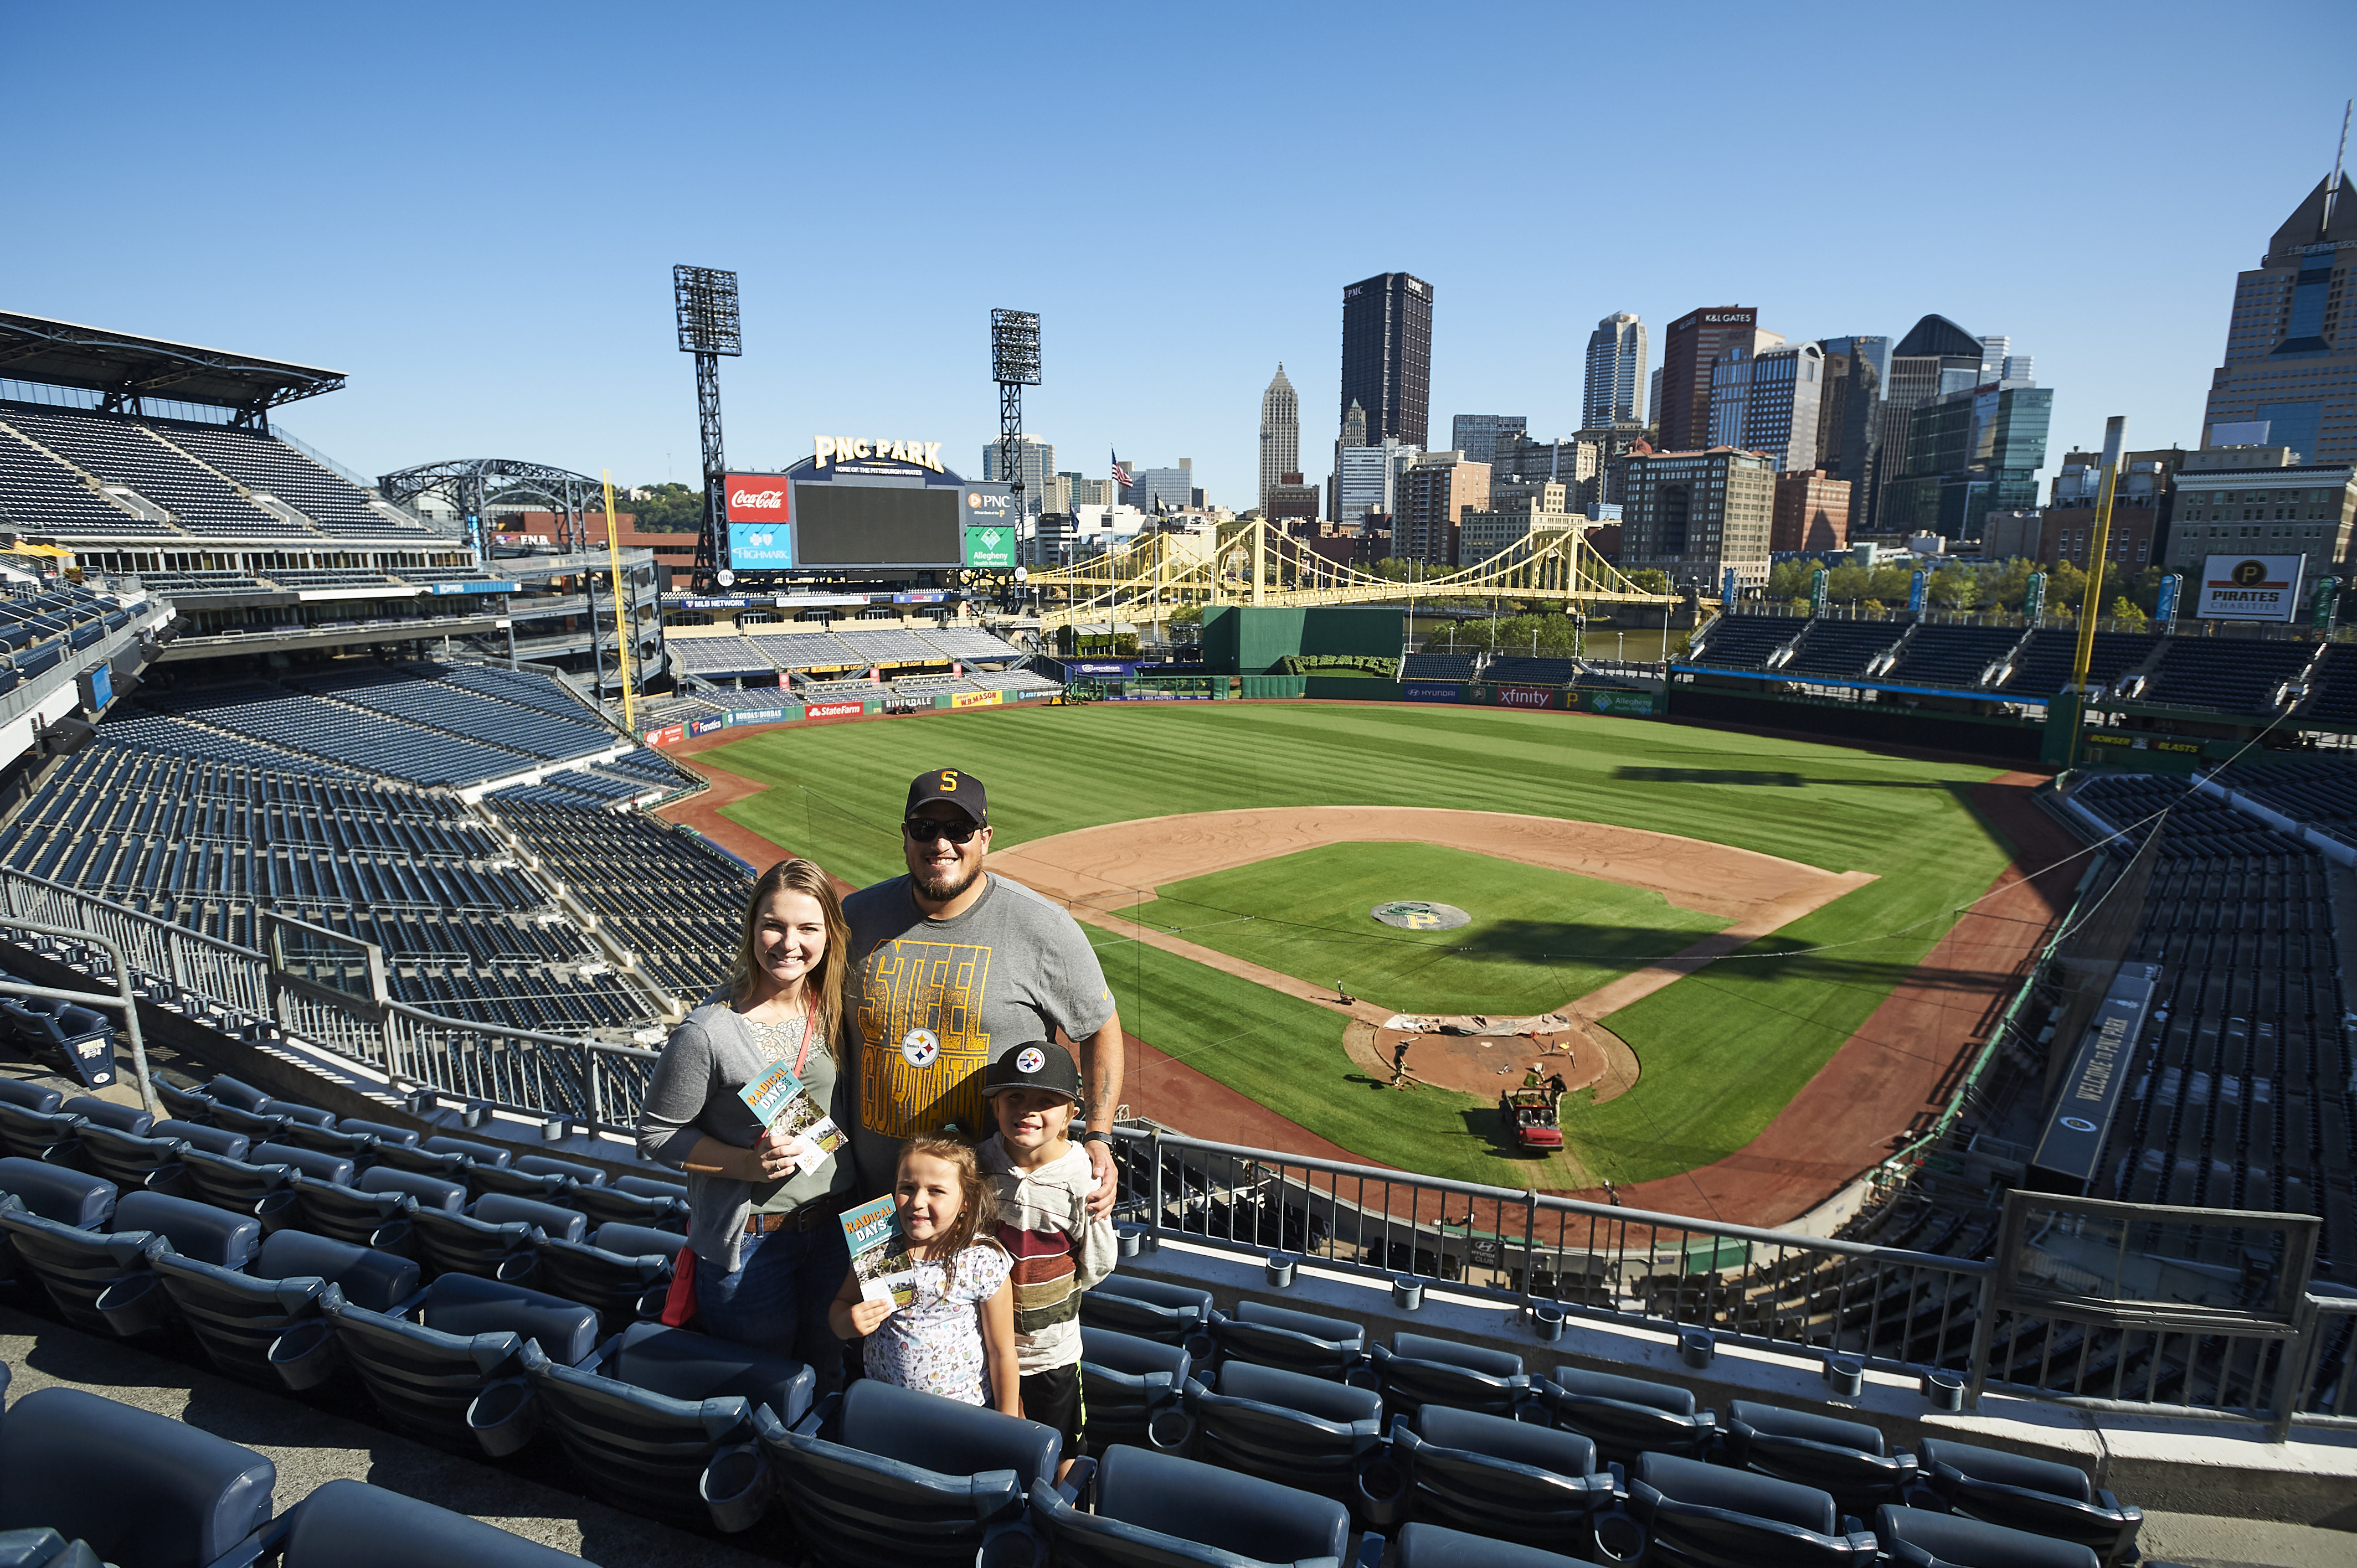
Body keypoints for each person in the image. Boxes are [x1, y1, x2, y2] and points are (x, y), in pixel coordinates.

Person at [843, 768, 1123, 1217]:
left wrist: (1098, 1135)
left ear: (985, 838)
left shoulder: (1041, 926)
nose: (940, 844)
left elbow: (1099, 1027)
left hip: (998, 1210)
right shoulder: (855, 917)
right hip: (874, 1205)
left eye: (959, 830)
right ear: (905, 836)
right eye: (924, 829)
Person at [637, 857, 856, 1378]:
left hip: (834, 1232)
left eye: (807, 928)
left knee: (828, 1372)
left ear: (828, 935)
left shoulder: (831, 1008)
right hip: (752, 1242)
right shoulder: (708, 1031)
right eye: (774, 925)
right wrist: (746, 1166)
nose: (789, 943)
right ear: (752, 928)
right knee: (761, 1384)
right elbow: (655, 1134)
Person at [976, 1040, 1116, 1472]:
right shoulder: (979, 1162)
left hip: (1050, 1351)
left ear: (1071, 1114)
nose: (1028, 1110)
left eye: (1046, 1101)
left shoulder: (1084, 1177)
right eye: (1014, 1097)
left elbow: (1097, 1264)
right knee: (999, 1446)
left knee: (1062, 1451)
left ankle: (1060, 1521)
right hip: (983, 1347)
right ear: (997, 1105)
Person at [830, 1134, 1020, 1416]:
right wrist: (849, 1322)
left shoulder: (982, 1260)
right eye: (907, 1187)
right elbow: (839, 1309)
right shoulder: (878, 1247)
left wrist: (1007, 1425)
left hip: (961, 1415)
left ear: (966, 1201)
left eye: (936, 1191)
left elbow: (1002, 1352)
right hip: (885, 1408)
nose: (917, 1201)